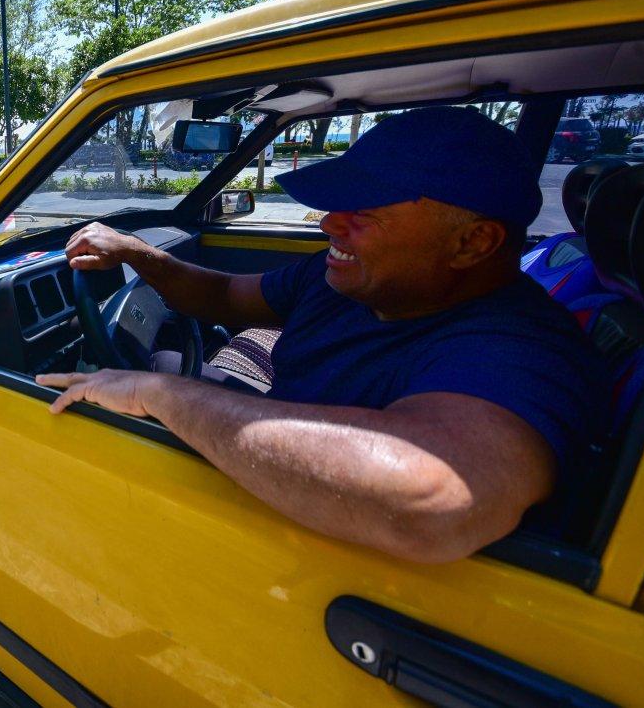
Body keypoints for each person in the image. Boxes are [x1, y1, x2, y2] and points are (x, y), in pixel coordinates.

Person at [37, 106, 606, 563]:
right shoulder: (344, 278)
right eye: (337, 201)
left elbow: (430, 503)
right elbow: (226, 298)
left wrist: (156, 393)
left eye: (366, 209)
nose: (329, 220)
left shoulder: (520, 349)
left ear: (473, 243)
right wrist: (141, 255)